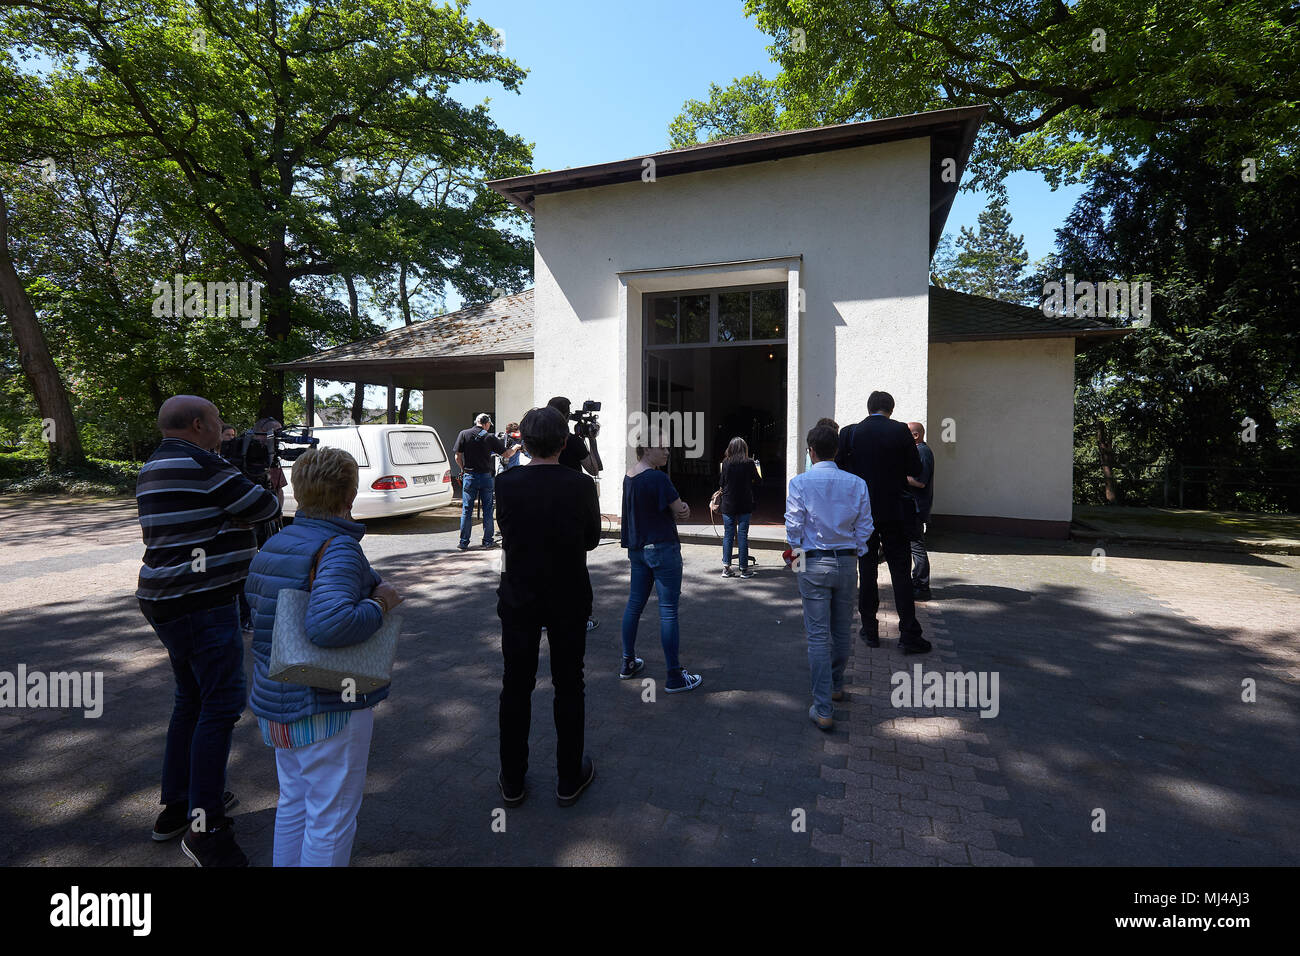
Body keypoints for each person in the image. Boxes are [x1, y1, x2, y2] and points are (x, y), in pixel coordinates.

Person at [135, 395, 280, 866]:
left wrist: (229, 514)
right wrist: (245, 505)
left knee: (191, 700)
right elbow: (262, 507)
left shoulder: (156, 462)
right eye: (218, 422)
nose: (224, 429)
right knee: (219, 708)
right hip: (200, 603)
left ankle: (178, 805)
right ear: (198, 424)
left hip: (163, 598)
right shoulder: (202, 463)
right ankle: (206, 827)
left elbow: (233, 512)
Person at [244, 445, 403, 866]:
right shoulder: (338, 548)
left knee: (294, 802)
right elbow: (330, 624)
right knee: (331, 818)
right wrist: (381, 602)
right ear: (349, 495)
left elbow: (255, 609)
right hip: (327, 703)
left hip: (276, 697)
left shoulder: (279, 541)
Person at [494, 406, 602, 807]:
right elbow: (591, 539)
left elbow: (507, 530)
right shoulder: (580, 485)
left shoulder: (506, 483)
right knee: (570, 684)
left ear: (523, 440)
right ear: (563, 442)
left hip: (520, 596)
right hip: (568, 596)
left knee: (515, 686)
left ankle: (512, 779)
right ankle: (569, 777)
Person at [785, 424, 873, 731]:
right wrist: (855, 551)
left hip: (813, 562)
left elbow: (794, 529)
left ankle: (823, 707)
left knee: (818, 636)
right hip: (847, 562)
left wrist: (797, 562)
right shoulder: (856, 483)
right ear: (836, 450)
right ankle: (835, 685)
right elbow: (865, 526)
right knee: (842, 630)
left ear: (810, 450)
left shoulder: (800, 483)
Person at [836, 390, 931, 654]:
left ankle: (870, 629)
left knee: (867, 571)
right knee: (900, 572)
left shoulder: (850, 433)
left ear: (869, 408)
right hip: (894, 512)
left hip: (862, 512)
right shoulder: (900, 431)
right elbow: (914, 468)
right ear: (891, 408)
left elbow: (841, 468)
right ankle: (909, 633)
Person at [620, 431, 702, 693]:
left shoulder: (629, 476)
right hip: (663, 549)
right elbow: (680, 510)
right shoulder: (657, 477)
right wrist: (684, 508)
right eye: (662, 447)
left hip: (638, 550)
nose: (667, 451)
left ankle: (627, 661)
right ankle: (674, 676)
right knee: (668, 611)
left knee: (634, 605)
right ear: (646, 449)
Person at [549, 396, 603, 632]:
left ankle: (546, 615)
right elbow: (594, 468)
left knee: (549, 565)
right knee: (576, 567)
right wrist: (591, 440)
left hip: (546, 508)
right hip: (571, 508)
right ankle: (581, 617)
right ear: (565, 413)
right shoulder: (571, 441)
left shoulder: (542, 439)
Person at [452, 413, 518, 551]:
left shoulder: (463, 434)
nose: (489, 427)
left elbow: (457, 456)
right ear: (486, 423)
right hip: (486, 477)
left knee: (466, 510)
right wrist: (516, 447)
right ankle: (488, 541)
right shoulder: (489, 437)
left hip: (469, 476)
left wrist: (463, 469)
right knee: (488, 510)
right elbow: (506, 454)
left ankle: (463, 542)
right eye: (489, 424)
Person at [718, 436, 761, 578]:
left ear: (730, 449)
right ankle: (744, 569)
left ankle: (726, 567)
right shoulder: (749, 463)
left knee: (728, 534)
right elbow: (759, 481)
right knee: (743, 535)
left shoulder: (726, 463)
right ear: (744, 449)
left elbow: (722, 482)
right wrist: (757, 468)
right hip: (744, 503)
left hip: (728, 503)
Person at [906, 421, 935, 601]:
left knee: (917, 547)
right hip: (915, 506)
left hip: (917, 507)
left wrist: (899, 476)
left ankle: (922, 586)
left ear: (916, 435)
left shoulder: (922, 452)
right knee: (914, 545)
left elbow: (920, 482)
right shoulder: (918, 451)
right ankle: (917, 582)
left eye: (907, 433)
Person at [548, 396, 603, 477]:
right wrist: (592, 439)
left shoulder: (540, 438)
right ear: (566, 417)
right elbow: (594, 470)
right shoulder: (573, 441)